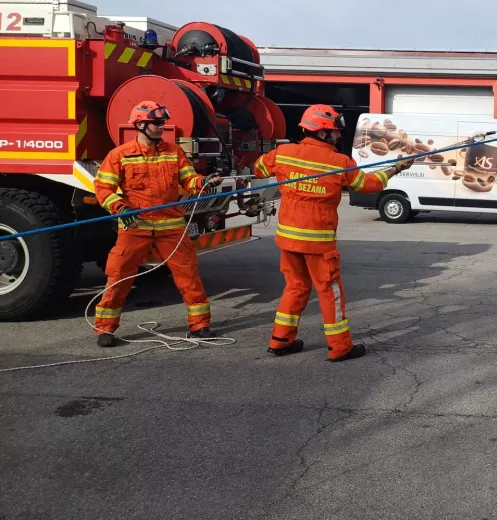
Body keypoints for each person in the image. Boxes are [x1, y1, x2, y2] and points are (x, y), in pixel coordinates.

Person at [253, 104, 413, 361]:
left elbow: (259, 168)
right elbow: (368, 184)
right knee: (329, 292)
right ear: (322, 133)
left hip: (288, 239)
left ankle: (280, 341)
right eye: (335, 132)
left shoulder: (283, 153)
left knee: (294, 288)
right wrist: (396, 168)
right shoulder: (339, 163)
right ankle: (340, 347)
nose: (339, 136)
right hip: (318, 243)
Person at [92, 101, 223, 346]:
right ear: (141, 125)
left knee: (189, 276)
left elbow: (188, 179)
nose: (163, 127)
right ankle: (106, 329)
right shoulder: (119, 155)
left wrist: (204, 182)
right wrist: (119, 207)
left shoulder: (173, 151)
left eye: (163, 122)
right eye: (157, 123)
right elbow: (103, 188)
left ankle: (200, 326)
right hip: (135, 227)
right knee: (119, 276)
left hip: (171, 226)